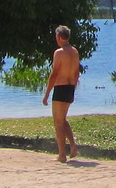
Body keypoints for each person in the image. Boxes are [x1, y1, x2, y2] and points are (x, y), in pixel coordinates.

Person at [42, 25, 80, 162]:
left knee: (58, 122)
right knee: (63, 120)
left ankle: (62, 154)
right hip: (70, 87)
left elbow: (54, 74)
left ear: (59, 37)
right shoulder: (75, 52)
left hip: (61, 87)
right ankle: (73, 146)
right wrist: (74, 89)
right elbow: (76, 73)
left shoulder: (59, 52)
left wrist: (47, 94)